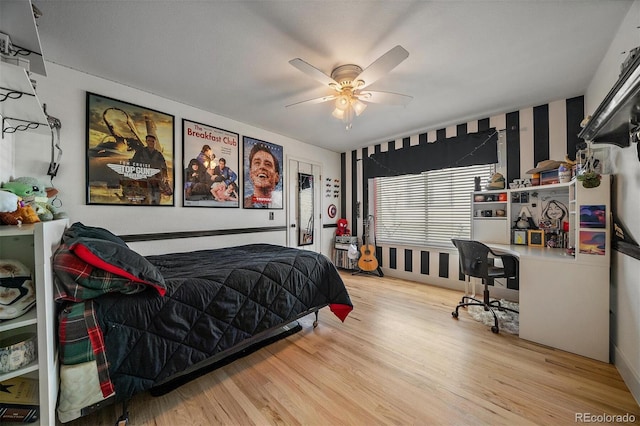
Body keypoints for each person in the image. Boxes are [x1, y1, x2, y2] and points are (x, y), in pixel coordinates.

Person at [130, 134, 168, 204]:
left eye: (152, 141)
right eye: (149, 141)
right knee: (144, 199)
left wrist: (165, 178)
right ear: (146, 141)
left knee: (156, 199)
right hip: (143, 179)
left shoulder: (159, 154)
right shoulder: (140, 152)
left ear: (155, 142)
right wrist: (134, 176)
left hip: (155, 180)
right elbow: (133, 164)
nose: (151, 142)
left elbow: (164, 167)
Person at [243, 143, 281, 208]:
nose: (262, 167)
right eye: (257, 163)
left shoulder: (279, 205)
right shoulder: (243, 203)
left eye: (268, 164)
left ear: (277, 177)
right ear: (251, 174)